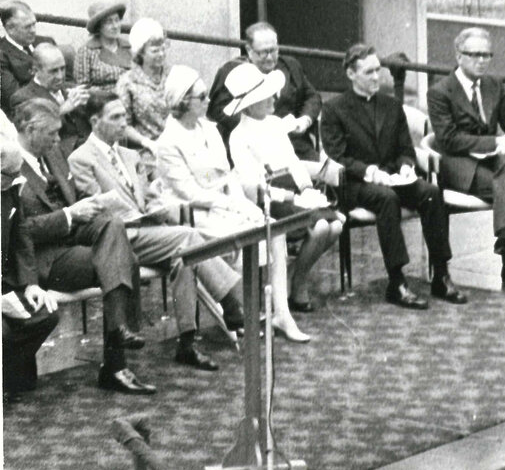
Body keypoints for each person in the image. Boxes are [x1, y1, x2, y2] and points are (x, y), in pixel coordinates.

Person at [69, 91, 246, 371]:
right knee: (187, 237)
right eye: (114, 117)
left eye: (124, 117)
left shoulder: (129, 155)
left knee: (184, 258)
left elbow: (147, 197)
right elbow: (95, 208)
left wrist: (157, 205)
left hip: (147, 232)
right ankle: (231, 301)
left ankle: (187, 343)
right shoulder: (81, 159)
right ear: (94, 121)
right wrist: (138, 215)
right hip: (118, 237)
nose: (122, 123)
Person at [154, 65, 310, 342]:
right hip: (192, 213)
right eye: (202, 97)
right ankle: (242, 310)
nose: (208, 102)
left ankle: (281, 312)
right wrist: (231, 206)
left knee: (271, 226)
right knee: (242, 235)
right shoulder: (167, 142)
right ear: (183, 102)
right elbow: (190, 193)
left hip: (221, 204)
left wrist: (243, 204)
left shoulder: (211, 130)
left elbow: (228, 177)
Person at [12, 98, 154, 394]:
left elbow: (71, 197)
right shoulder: (9, 163)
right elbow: (19, 230)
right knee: (126, 261)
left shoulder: (52, 154)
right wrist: (69, 214)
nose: (56, 139)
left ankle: (118, 332)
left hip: (71, 239)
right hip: (44, 258)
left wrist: (89, 206)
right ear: (28, 129)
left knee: (112, 224)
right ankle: (116, 362)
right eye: (50, 133)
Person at [321, 44, 467, 310]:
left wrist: (407, 166)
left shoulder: (391, 106)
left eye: (378, 70)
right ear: (351, 74)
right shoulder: (334, 110)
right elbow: (337, 156)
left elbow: (404, 149)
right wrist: (368, 171)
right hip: (355, 184)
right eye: (369, 72)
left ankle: (441, 273)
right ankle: (397, 280)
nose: (377, 77)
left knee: (431, 193)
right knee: (387, 198)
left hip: (392, 177)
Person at [226, 62, 344, 311]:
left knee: (336, 225)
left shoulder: (275, 124)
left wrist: (307, 189)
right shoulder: (238, 136)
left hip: (293, 192)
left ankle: (295, 278)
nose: (274, 98)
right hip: (268, 200)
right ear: (250, 103)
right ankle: (298, 287)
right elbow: (253, 186)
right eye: (266, 95)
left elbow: (293, 161)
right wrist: (291, 197)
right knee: (321, 227)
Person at [426, 27, 505, 292]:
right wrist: (496, 142)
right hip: (457, 163)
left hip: (492, 162)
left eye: (487, 55)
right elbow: (449, 139)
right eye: (475, 54)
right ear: (458, 56)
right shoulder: (440, 92)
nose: (482, 60)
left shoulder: (494, 85)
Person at [208, 22, 321, 161]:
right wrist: (261, 125)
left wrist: (305, 119)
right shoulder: (232, 73)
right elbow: (217, 111)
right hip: (251, 148)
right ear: (249, 50)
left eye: (273, 50)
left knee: (326, 173)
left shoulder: (290, 66)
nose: (269, 57)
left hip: (294, 144)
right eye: (263, 52)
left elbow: (312, 96)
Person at [1, 139, 60, 400]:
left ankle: (7, 376)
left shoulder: (10, 187)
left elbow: (21, 237)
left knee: (45, 313)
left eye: (17, 174)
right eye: (9, 175)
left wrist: (31, 284)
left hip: (6, 282)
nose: (15, 181)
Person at [10, 44, 91, 155]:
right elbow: (34, 136)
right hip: (59, 156)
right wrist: (62, 109)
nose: (60, 76)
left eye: (63, 69)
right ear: (35, 70)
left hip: (91, 148)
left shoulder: (71, 88)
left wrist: (92, 105)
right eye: (53, 71)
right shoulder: (22, 97)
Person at [114, 18, 171, 167]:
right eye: (155, 51)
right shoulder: (127, 82)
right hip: (146, 151)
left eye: (163, 48)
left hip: (176, 144)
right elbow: (122, 124)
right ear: (141, 53)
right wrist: (147, 143)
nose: (161, 54)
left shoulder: (173, 75)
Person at [1, 0, 57, 116]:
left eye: (34, 24)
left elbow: (64, 78)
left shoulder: (46, 41)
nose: (33, 31)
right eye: (27, 27)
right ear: (10, 28)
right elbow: (14, 97)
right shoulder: (2, 55)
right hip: (30, 116)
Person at [74, 0, 132, 91]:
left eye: (117, 20)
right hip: (100, 101)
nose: (115, 26)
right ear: (99, 26)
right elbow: (82, 88)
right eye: (109, 22)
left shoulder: (129, 48)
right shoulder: (86, 51)